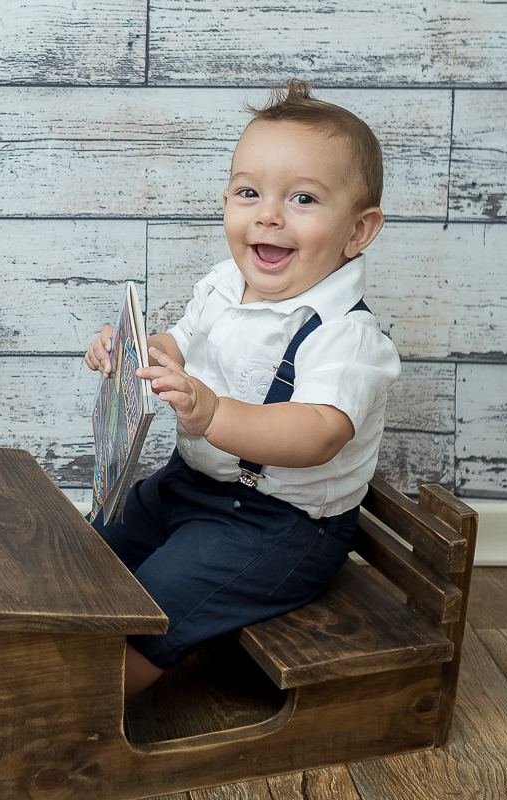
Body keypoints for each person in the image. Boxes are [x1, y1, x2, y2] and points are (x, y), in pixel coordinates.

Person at [83, 81, 400, 699]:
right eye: (249, 192)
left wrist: (213, 411)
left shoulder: (344, 336)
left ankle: (80, 707)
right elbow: (182, 343)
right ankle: (34, 647)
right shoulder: (224, 285)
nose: (269, 215)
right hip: (188, 484)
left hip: (277, 524)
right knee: (97, 545)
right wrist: (138, 352)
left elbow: (316, 433)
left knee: (164, 597)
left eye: (303, 198)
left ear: (358, 231)